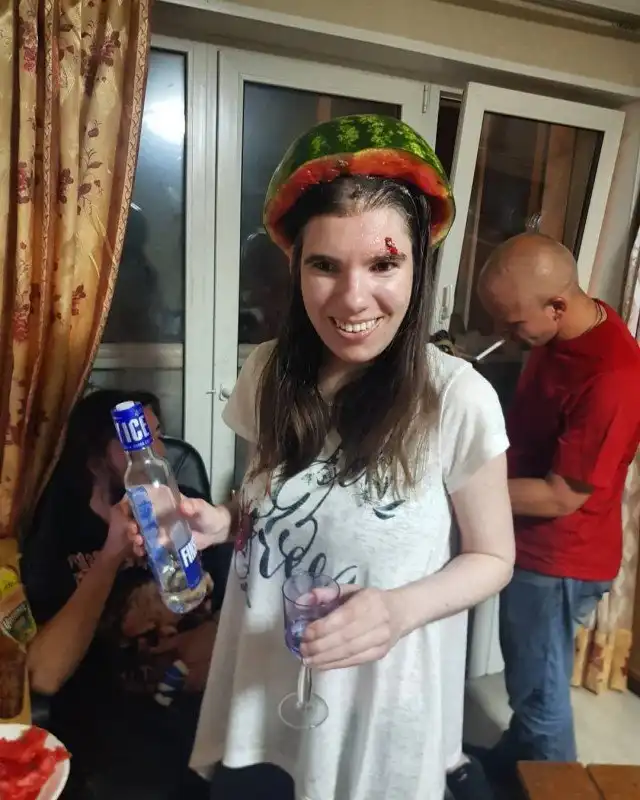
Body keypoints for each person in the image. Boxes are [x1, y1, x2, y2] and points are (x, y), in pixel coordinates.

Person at [128, 116, 515, 800]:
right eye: (325, 266)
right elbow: (269, 497)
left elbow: (494, 557)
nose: (352, 298)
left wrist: (399, 610)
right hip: (260, 686)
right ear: (295, 266)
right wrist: (219, 522)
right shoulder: (269, 371)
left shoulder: (458, 398)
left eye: (383, 264)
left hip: (377, 710)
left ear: (418, 266)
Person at [474, 233, 640, 780]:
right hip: (533, 545)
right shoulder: (563, 330)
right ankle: (511, 770)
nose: (505, 336)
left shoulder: (613, 376)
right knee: (529, 678)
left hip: (560, 560)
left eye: (513, 324)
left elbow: (560, 495)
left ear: (558, 306)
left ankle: (553, 784)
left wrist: (461, 488)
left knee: (540, 699)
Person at [21, 389, 232, 799]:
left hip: (206, 710)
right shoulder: (61, 531)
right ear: (95, 458)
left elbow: (235, 603)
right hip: (119, 728)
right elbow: (44, 674)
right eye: (137, 442)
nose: (155, 452)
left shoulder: (189, 508)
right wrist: (112, 553)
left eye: (157, 436)